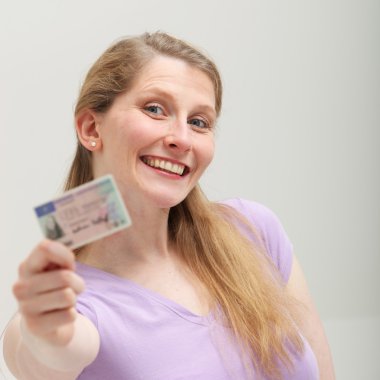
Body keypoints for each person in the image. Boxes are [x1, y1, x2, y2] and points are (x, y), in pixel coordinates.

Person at [3, 32, 335, 379]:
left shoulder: (254, 229)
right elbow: (41, 354)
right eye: (155, 109)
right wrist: (47, 337)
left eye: (199, 122)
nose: (182, 138)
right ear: (91, 128)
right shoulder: (76, 307)